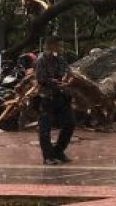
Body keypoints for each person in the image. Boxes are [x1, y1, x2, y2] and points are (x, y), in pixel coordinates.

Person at [35, 35, 76, 164]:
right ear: (51, 45)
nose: (61, 48)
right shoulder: (41, 60)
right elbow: (41, 79)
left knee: (70, 123)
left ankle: (58, 151)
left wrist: (68, 80)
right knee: (45, 128)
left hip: (62, 96)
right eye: (59, 45)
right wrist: (57, 83)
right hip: (47, 97)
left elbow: (69, 73)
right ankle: (48, 156)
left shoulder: (60, 59)